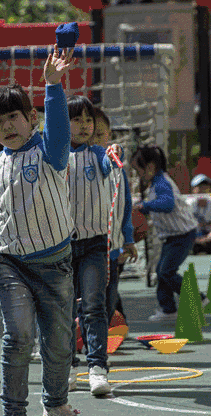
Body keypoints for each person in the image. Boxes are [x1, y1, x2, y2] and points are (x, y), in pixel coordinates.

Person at [0, 46, 79, 416]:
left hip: (55, 264)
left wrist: (53, 85)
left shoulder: (51, 153)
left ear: (31, 117)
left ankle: (55, 404)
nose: (6, 126)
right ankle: (13, 410)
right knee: (18, 337)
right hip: (10, 265)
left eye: (12, 117)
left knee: (58, 344)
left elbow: (60, 128)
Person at [64, 95, 124, 396]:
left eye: (89, 120)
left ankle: (98, 368)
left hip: (95, 244)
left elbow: (107, 163)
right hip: (61, 246)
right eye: (77, 119)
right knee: (62, 310)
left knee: (94, 306)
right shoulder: (55, 155)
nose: (85, 125)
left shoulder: (99, 153)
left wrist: (113, 155)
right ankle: (66, 367)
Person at [132, 145, 198, 323]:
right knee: (161, 272)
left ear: (150, 167)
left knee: (166, 272)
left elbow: (167, 204)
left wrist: (145, 206)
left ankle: (196, 298)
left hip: (182, 234)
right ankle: (168, 309)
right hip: (172, 236)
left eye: (138, 171)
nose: (138, 175)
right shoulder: (157, 183)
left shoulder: (162, 183)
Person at [90, 108, 137, 326]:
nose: (94, 140)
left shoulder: (117, 168)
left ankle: (105, 333)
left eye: (100, 135)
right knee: (87, 302)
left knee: (108, 301)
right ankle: (87, 339)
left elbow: (124, 207)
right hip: (82, 248)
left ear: (108, 135)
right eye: (90, 136)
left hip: (111, 249)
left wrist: (128, 239)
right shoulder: (73, 164)